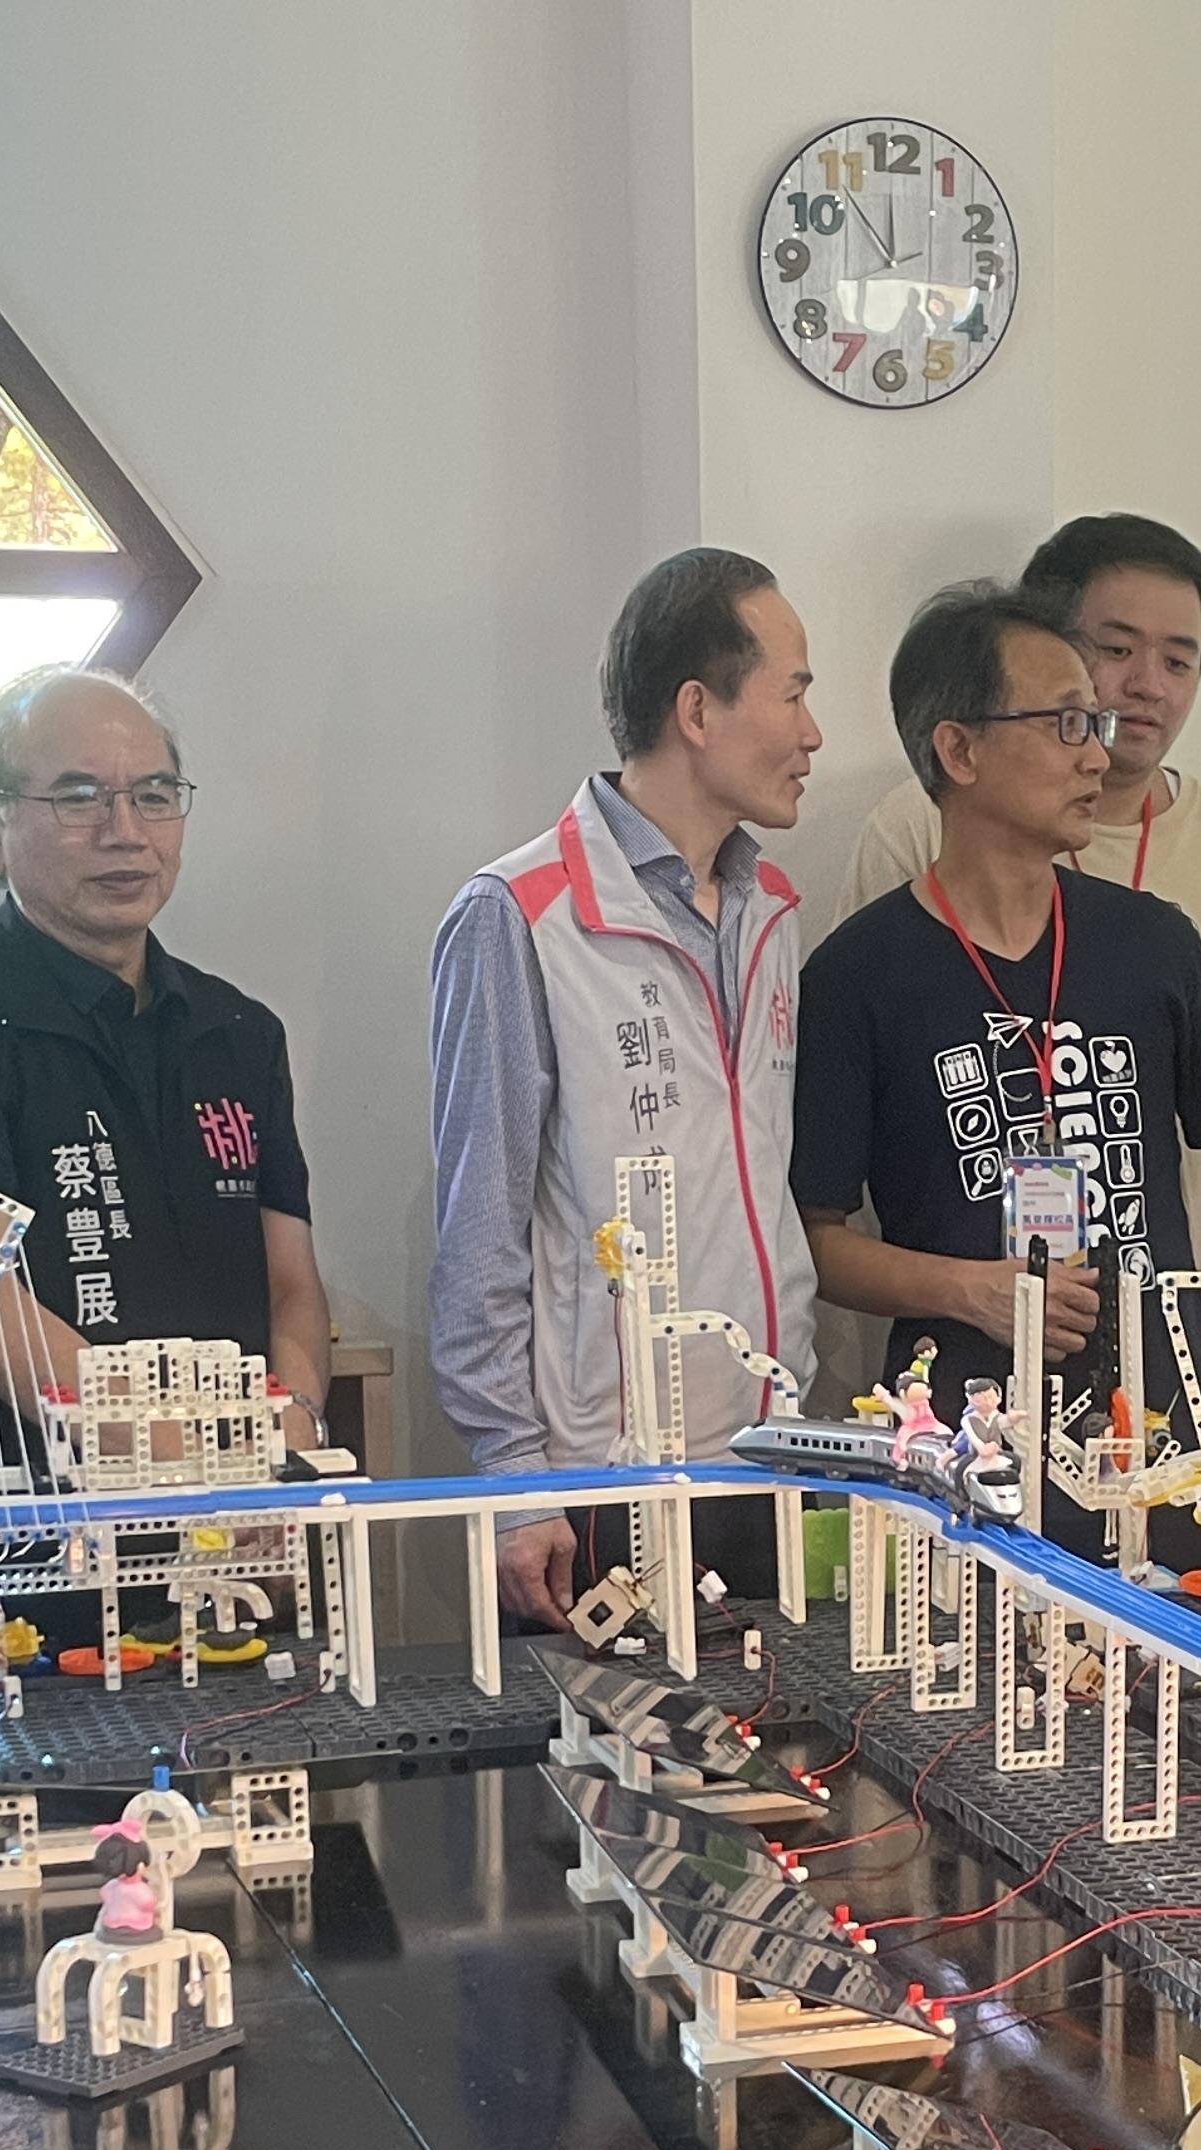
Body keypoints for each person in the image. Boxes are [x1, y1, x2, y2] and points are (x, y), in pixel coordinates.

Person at [793, 579, 1201, 1541]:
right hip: (960, 1444)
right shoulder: (858, 974)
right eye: (1065, 724)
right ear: (959, 750)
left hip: (1164, 1436)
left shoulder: (1151, 942)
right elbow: (816, 1241)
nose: (1098, 752)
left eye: (1093, 723)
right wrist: (971, 1289)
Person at [429, 548, 821, 1629]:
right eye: (793, 693)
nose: (813, 734)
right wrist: (516, 1478)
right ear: (697, 710)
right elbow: (478, 1230)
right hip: (599, 1477)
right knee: (615, 1742)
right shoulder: (520, 912)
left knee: (781, 1735)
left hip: (768, 1458)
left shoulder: (772, 906)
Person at [0, 667, 329, 1495]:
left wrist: (292, 1428)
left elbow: (290, 1285)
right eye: (79, 799)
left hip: (238, 1514)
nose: (126, 832)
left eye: (153, 795)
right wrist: (190, 1459)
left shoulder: (240, 1032)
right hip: (18, 1518)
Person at [844, 514, 1201, 1257]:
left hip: (1160, 1298)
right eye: (1116, 650)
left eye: (1179, 661)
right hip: (965, 1304)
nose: (1147, 686)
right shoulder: (917, 826)